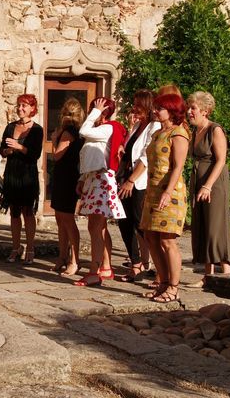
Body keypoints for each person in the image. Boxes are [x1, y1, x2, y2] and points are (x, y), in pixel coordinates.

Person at [139, 93, 189, 303]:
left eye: (159, 108)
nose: (155, 111)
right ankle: (163, 283)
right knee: (150, 237)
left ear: (172, 111)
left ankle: (174, 287)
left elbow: (178, 166)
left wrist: (168, 192)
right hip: (153, 191)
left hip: (171, 192)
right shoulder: (158, 133)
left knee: (167, 240)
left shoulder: (178, 133)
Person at [74, 97, 126, 286]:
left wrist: (96, 111)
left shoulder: (109, 128)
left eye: (93, 108)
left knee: (96, 227)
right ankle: (105, 267)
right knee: (98, 226)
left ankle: (94, 272)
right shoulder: (100, 131)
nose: (90, 111)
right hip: (93, 179)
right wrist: (82, 178)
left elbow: (83, 131)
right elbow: (90, 155)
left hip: (101, 180)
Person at [186, 91, 230, 288]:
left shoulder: (215, 130)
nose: (189, 111)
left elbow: (221, 160)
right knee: (202, 225)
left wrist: (207, 186)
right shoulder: (196, 131)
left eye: (193, 108)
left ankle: (226, 274)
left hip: (213, 184)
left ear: (205, 111)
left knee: (215, 227)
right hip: (199, 181)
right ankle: (208, 275)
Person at [116, 90, 160, 282]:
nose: (134, 108)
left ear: (147, 106)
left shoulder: (154, 126)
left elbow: (146, 156)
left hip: (139, 182)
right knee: (124, 221)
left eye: (138, 105)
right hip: (126, 177)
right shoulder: (137, 126)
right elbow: (130, 152)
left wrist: (131, 180)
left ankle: (159, 266)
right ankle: (136, 263)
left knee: (140, 222)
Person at [0, 94, 43, 264]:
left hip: (27, 174)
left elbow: (35, 154)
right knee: (14, 211)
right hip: (12, 172)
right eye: (19, 105)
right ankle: (15, 247)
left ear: (32, 108)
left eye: (24, 105)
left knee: (28, 211)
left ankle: (30, 248)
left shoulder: (37, 129)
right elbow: (2, 150)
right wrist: (8, 151)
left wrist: (19, 146)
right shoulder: (10, 127)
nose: (20, 109)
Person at [50, 98, 85, 276]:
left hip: (66, 178)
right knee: (61, 220)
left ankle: (73, 260)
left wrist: (54, 140)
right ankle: (63, 256)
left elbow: (57, 156)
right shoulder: (80, 132)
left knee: (66, 220)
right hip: (68, 177)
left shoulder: (67, 133)